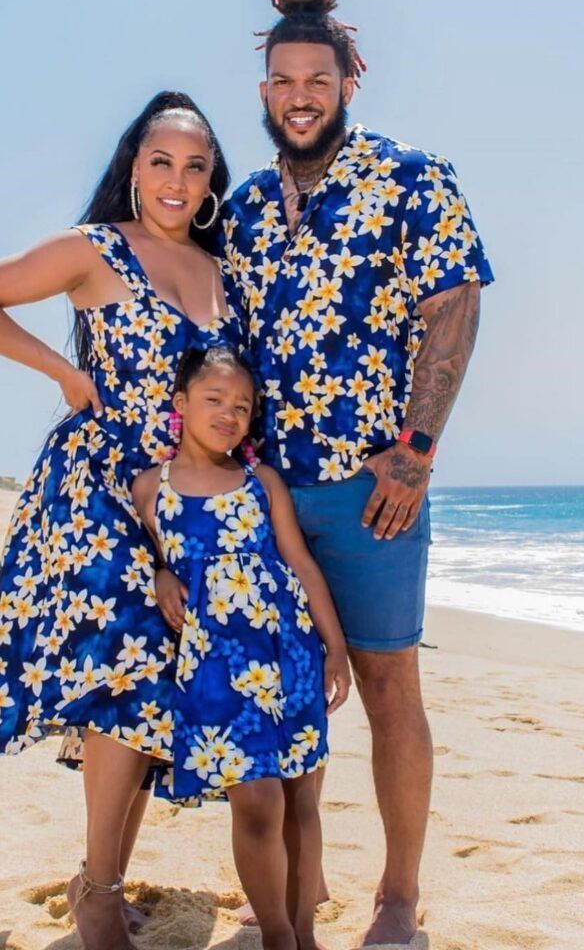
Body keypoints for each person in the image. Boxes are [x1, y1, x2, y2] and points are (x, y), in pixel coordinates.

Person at [217, 0, 494, 946]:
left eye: (318, 83)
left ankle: (400, 897)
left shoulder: (411, 176)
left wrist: (416, 452)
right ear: (265, 93)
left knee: (386, 688)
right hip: (269, 494)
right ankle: (299, 878)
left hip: (372, 491)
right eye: (285, 83)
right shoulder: (242, 207)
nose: (301, 98)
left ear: (348, 85)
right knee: (286, 691)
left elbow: (454, 307)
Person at [0, 91, 245, 950]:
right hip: (97, 489)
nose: (178, 180)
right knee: (130, 665)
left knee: (156, 689)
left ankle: (96, 875)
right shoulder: (94, 250)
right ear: (133, 166)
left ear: (211, 178)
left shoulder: (225, 273)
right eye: (161, 161)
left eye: (195, 165)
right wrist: (61, 374)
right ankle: (103, 896)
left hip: (186, 498)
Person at [132, 344, 351, 950]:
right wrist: (158, 573)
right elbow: (137, 556)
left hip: (288, 655)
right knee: (254, 802)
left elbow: (302, 565)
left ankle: (304, 934)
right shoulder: (151, 487)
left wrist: (334, 648)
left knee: (302, 799)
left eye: (242, 406)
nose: (228, 414)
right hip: (215, 670)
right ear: (181, 404)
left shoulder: (262, 482)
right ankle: (278, 935)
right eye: (214, 400)